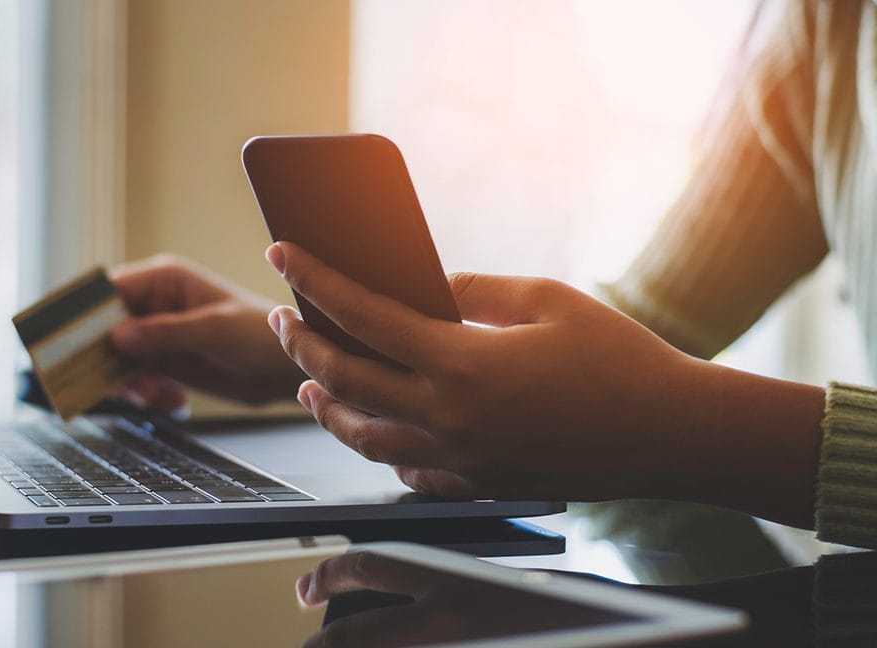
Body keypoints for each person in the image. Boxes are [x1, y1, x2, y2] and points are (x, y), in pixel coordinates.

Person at [110, 0, 877, 552]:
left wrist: (694, 430)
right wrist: (311, 350)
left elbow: (645, 392)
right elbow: (654, 317)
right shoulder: (830, 25)